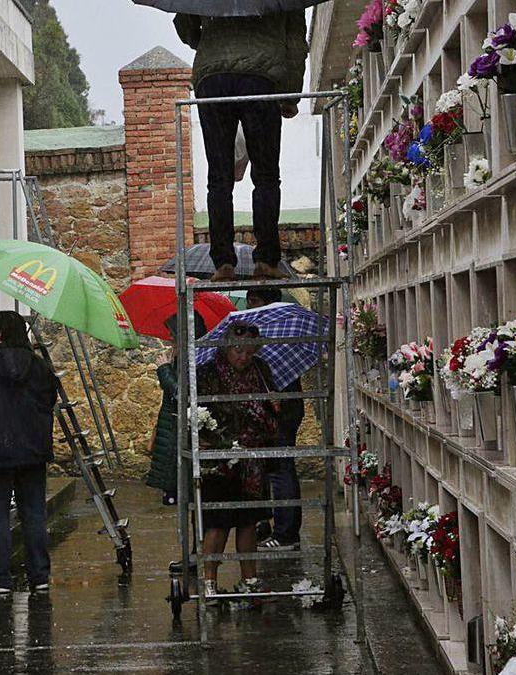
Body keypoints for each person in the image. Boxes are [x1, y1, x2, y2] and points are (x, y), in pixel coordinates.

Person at [174, 12, 309, 281]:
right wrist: (291, 94)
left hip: (212, 79)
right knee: (266, 174)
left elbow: (185, 24)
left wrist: (212, 44)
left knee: (219, 178)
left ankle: (223, 263)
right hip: (261, 77)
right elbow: (295, 41)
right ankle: (267, 261)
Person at [0, 311, 58, 595]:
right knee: (34, 514)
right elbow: (49, 399)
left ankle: (0, 579)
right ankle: (39, 576)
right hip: (32, 450)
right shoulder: (39, 366)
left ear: (0, 333)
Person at [198, 322, 281, 601]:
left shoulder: (262, 371)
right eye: (237, 350)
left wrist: (272, 409)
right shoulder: (209, 372)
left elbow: (275, 402)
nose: (243, 357)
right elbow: (200, 413)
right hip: (220, 457)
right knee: (218, 522)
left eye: (248, 351)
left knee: (249, 521)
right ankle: (210, 581)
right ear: (226, 346)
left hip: (253, 457)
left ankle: (250, 579)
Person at [244, 288, 304, 551]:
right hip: (280, 408)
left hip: (281, 410)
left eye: (253, 301)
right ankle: (270, 524)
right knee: (271, 469)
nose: (249, 306)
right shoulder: (281, 326)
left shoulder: (274, 331)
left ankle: (286, 533)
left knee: (281, 470)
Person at [145, 313, 208, 506]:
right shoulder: (181, 359)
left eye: (173, 334)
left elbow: (182, 395)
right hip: (171, 430)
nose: (170, 338)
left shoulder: (193, 362)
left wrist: (164, 369)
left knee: (179, 492)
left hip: (178, 432)